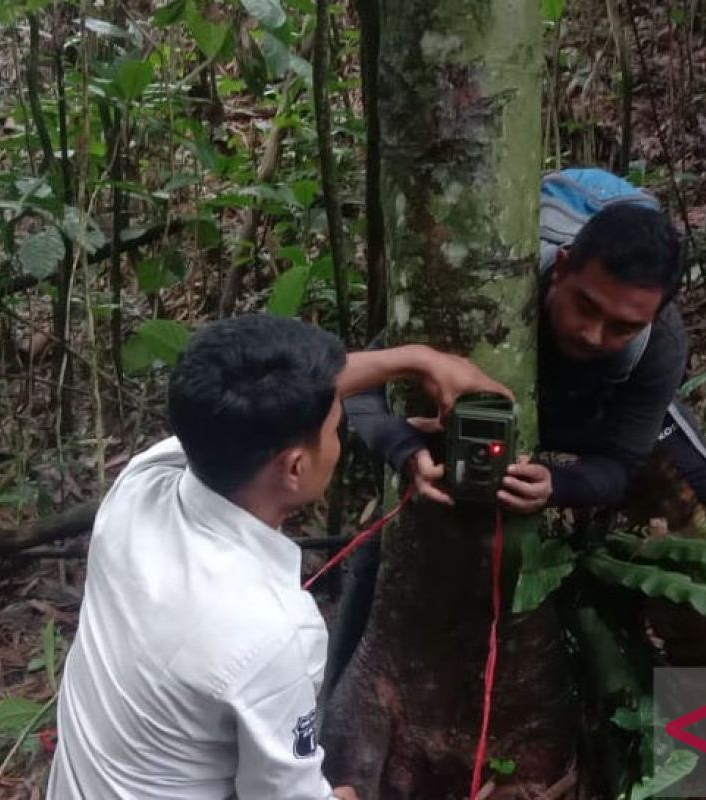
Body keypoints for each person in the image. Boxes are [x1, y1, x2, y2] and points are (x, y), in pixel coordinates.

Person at [47, 314, 509, 800]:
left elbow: (280, 401)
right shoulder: (272, 632)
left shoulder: (141, 484)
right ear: (294, 467)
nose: (340, 436)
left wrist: (418, 360)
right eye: (336, 428)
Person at [331, 182, 706, 687]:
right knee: (387, 551)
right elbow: (363, 388)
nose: (594, 334)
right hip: (485, 420)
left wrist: (557, 485)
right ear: (563, 267)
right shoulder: (488, 290)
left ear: (654, 319)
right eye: (585, 307)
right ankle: (335, 699)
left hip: (595, 410)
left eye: (622, 326)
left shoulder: (657, 346)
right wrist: (401, 447)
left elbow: (619, 464)